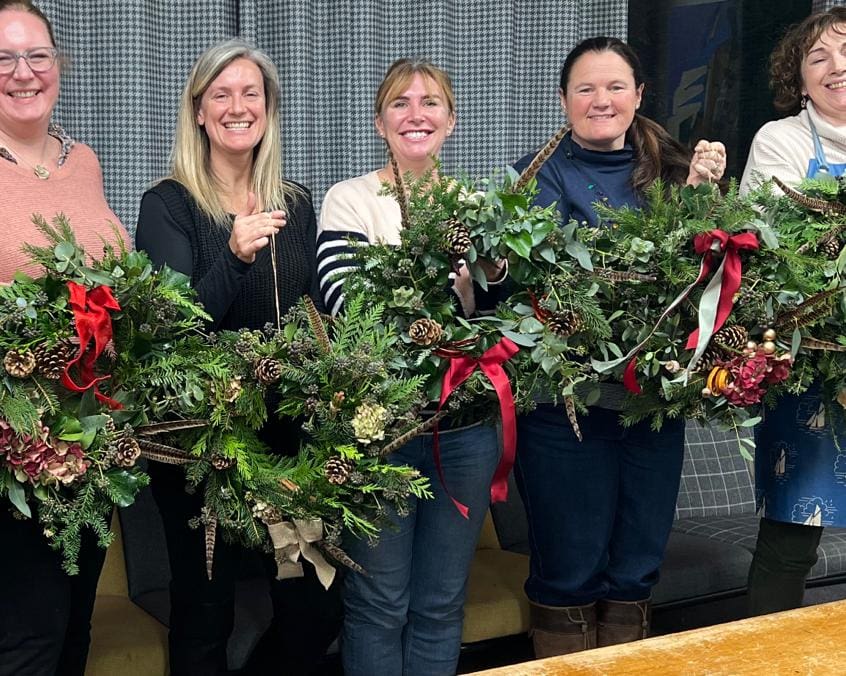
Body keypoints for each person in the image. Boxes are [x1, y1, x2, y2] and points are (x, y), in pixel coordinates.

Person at [511, 36, 726, 657]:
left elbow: (707, 279)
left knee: (636, 569)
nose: (600, 100)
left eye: (614, 87)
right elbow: (533, 288)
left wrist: (705, 199)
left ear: (638, 96)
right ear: (563, 101)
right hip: (565, 411)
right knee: (568, 569)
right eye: (585, 88)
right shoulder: (536, 175)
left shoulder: (677, 171)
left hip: (652, 407)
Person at [134, 39, 341, 676]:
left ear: (269, 109)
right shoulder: (167, 205)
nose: (237, 106)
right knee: (206, 609)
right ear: (199, 111)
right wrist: (234, 255)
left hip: (289, 440)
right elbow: (171, 332)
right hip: (205, 444)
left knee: (314, 605)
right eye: (220, 94)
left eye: (251, 93)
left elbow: (315, 313)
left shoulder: (297, 203)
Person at [316, 58, 504, 676]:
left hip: (467, 428)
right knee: (377, 604)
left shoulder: (477, 206)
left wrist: (472, 298)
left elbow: (502, 317)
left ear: (450, 121)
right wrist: (451, 297)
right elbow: (349, 307)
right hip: (382, 430)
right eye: (400, 103)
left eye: (430, 102)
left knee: (442, 603)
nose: (415, 113)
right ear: (379, 122)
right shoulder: (349, 199)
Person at [0, 2, 130, 675]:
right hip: (15, 449)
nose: (23, 73)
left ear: (60, 64)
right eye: (3, 58)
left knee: (77, 630)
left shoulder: (84, 161)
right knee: (28, 639)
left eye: (37, 56)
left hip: (94, 440)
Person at [740, 7, 846, 617]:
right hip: (809, 368)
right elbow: (773, 255)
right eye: (818, 58)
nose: (837, 68)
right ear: (798, 79)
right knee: (791, 540)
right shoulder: (779, 141)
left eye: (845, 51)